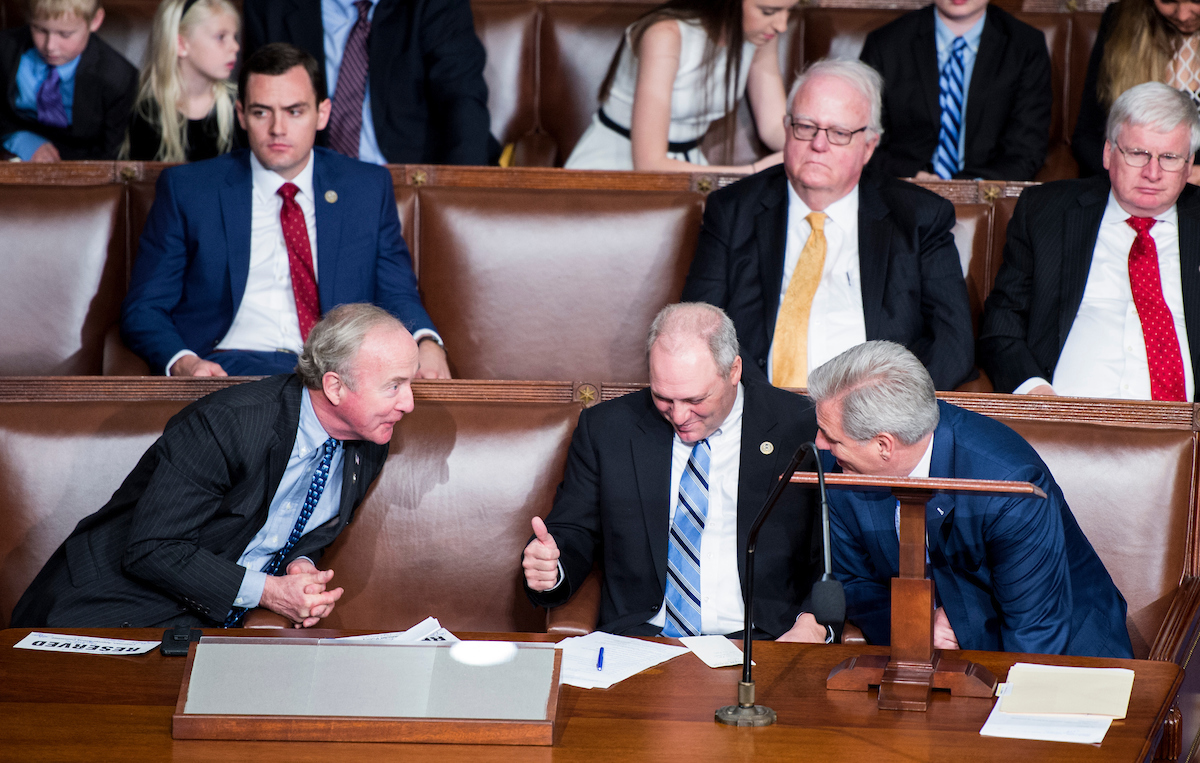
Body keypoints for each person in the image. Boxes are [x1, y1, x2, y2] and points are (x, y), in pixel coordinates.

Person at [12, 303, 418, 629]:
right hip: (104, 613)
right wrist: (269, 593)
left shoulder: (370, 437)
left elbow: (309, 523)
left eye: (410, 383)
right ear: (334, 386)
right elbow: (153, 550)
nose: (409, 403)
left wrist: (301, 565)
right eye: (394, 386)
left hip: (207, 620)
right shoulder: (228, 424)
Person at [121, 43, 451, 379]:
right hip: (228, 370)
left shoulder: (365, 189)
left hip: (336, 375)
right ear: (241, 115)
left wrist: (426, 341)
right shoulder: (189, 190)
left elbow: (396, 292)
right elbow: (145, 308)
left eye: (294, 111)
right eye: (262, 112)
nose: (278, 128)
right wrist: (184, 362)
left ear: (322, 114)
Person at [523, 303, 828, 641]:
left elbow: (832, 549)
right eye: (663, 398)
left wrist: (813, 621)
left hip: (764, 639)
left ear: (734, 371)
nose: (679, 415)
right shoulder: (608, 429)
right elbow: (573, 529)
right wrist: (552, 565)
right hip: (642, 638)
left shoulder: (799, 428)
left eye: (695, 399)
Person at [809, 340, 1132, 657]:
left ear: (884, 445)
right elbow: (853, 582)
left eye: (831, 437)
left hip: (1066, 659)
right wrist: (915, 624)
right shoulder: (839, 465)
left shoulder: (1008, 485)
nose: (819, 443)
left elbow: (1035, 629)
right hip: (934, 662)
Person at [681, 58, 974, 391]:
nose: (818, 145)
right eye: (806, 127)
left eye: (838, 133)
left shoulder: (919, 218)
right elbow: (697, 329)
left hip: (875, 422)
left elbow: (955, 344)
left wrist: (889, 412)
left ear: (868, 147)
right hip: (756, 413)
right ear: (787, 127)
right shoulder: (732, 211)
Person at [979, 82, 1200, 399]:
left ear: (1189, 165)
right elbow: (1002, 325)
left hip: (1184, 430)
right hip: (1065, 420)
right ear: (1109, 153)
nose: (1153, 172)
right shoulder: (1045, 213)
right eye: (1138, 153)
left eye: (1169, 157)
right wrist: (1035, 392)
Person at [242, 0, 497, 166]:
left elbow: (463, 100)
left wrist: (454, 195)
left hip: (411, 181)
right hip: (311, 184)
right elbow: (255, 110)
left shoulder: (435, 6)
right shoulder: (270, 8)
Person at [565, 0, 793, 173]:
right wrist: (750, 173)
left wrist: (811, 145)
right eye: (768, 11)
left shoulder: (760, 36)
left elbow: (774, 126)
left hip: (688, 165)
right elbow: (649, 164)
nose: (782, 25)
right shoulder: (665, 34)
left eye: (789, 9)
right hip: (616, 165)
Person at [859, 0, 1052, 181]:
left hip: (987, 193)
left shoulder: (1026, 46)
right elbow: (863, 139)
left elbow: (1026, 150)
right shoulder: (885, 43)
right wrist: (911, 177)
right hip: (904, 188)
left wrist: (963, 189)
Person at [1074, 0, 1200, 183]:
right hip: (1129, 187)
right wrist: (1130, 178)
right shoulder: (1121, 20)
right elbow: (1087, 136)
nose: (1183, 15)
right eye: (1167, 0)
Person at [0, 0, 136, 161]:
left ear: (95, 21)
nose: (50, 46)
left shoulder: (118, 78)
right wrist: (21, 140)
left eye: (65, 34)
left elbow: (111, 150)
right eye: (40, 29)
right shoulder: (5, 49)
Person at [123, 0, 241, 162]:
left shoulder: (238, 107)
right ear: (181, 44)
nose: (235, 46)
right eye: (221, 37)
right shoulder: (146, 112)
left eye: (234, 36)